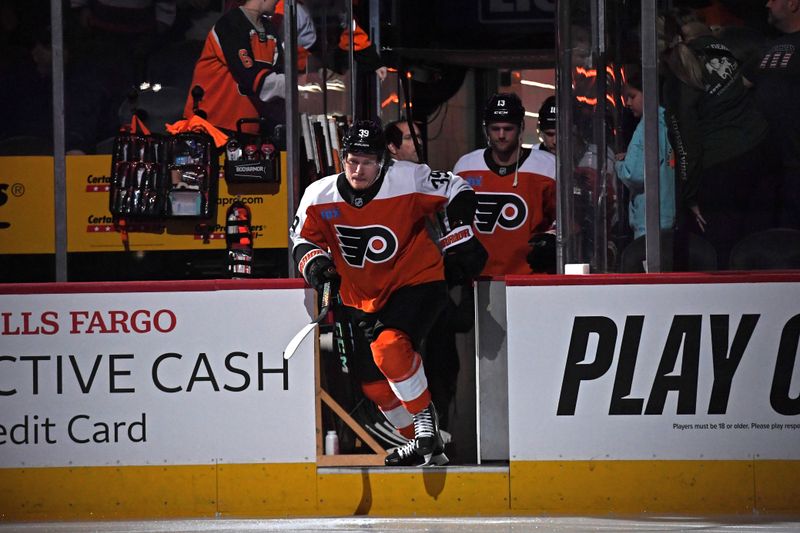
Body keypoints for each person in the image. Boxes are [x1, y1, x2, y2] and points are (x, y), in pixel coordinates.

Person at [290, 120, 487, 466]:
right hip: (361, 297)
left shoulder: (407, 178)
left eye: (367, 161)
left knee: (389, 349)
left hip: (416, 281)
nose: (358, 169)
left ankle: (425, 422)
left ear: (383, 161)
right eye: (352, 160)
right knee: (375, 387)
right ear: (342, 158)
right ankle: (427, 445)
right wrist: (316, 265)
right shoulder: (318, 195)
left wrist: (459, 230)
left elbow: (457, 188)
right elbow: (303, 239)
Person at [661, 10, 772, 269]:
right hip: (763, 149)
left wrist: (689, 196)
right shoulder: (720, 49)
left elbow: (686, 141)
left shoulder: (678, 78)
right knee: (762, 244)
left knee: (720, 250)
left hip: (721, 168)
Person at [452, 92, 557, 275]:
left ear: (521, 127)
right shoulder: (465, 167)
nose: (501, 135)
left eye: (508, 128)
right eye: (495, 128)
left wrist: (552, 239)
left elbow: (566, 219)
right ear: (486, 129)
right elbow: (451, 219)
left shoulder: (548, 167)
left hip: (531, 277)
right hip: (478, 279)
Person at [182, 0, 285, 135]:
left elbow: (279, 74)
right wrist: (299, 87)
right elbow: (255, 79)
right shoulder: (230, 25)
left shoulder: (269, 30)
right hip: (211, 129)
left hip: (247, 130)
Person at [749, 0, 800, 229]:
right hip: (766, 166)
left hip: (794, 164)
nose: (767, 4)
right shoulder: (767, 47)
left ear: (793, 4)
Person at [614, 66, 676, 239]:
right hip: (667, 212)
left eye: (632, 96)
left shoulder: (647, 126)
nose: (627, 103)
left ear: (649, 93)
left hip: (649, 219)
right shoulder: (666, 121)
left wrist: (619, 165)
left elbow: (634, 173)